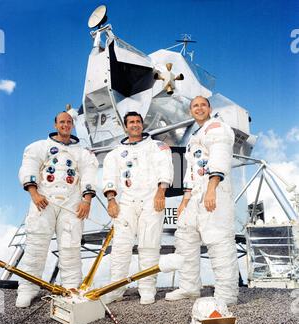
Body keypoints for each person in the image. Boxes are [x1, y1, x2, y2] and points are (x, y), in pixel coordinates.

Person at [16, 112, 98, 308]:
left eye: (69, 122)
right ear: (55, 124)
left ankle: (71, 289)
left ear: (72, 125)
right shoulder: (39, 147)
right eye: (62, 122)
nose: (66, 125)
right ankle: (27, 289)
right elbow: (29, 168)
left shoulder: (83, 153)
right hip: (44, 201)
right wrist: (34, 194)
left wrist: (86, 201)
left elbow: (89, 175)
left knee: (70, 247)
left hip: (71, 204)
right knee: (36, 245)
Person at [165, 96, 239, 306]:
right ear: (191, 111)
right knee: (185, 237)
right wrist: (184, 199)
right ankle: (189, 287)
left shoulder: (217, 127)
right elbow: (191, 170)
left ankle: (226, 294)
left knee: (218, 240)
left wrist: (212, 188)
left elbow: (219, 157)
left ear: (209, 108)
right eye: (195, 106)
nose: (199, 108)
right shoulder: (195, 136)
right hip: (195, 195)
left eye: (202, 105)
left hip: (214, 191)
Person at [102, 111, 174, 305]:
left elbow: (165, 169)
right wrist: (111, 200)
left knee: (149, 245)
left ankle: (147, 289)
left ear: (142, 125)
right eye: (131, 122)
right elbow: (110, 177)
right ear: (126, 127)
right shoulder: (115, 153)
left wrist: (161, 193)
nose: (134, 125)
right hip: (126, 202)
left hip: (151, 200)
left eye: (137, 122)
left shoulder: (157, 146)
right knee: (120, 247)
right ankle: (115, 289)